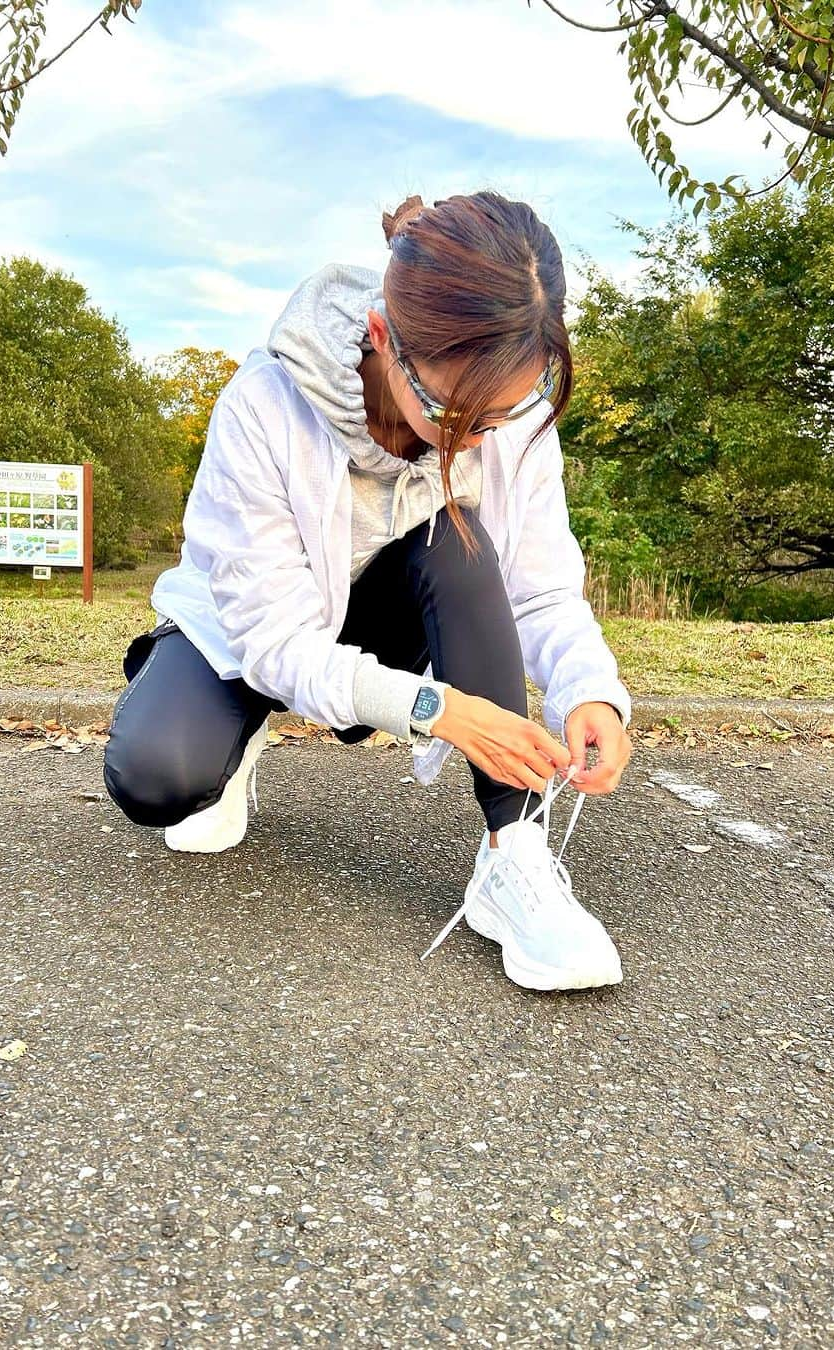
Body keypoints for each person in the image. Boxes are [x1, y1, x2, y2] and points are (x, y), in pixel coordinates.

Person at [103, 190, 633, 992]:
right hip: (250, 634)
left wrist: (590, 690)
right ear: (383, 338)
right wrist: (436, 709)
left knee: (458, 537)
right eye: (458, 414)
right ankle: (233, 737)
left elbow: (542, 585)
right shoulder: (264, 406)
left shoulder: (512, 410)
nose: (480, 435)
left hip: (387, 617)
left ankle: (512, 856)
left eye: (504, 413)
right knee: (158, 777)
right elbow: (275, 637)